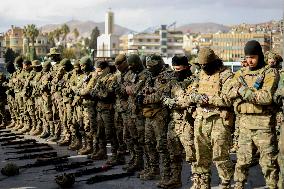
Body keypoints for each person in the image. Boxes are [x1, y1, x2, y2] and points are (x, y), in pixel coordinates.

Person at [183, 48, 234, 189]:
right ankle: (203, 183)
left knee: (220, 156)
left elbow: (229, 98)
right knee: (201, 155)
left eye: (206, 65)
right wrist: (195, 96)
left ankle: (225, 183)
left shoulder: (226, 75)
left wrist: (208, 99)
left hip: (219, 120)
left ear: (213, 62)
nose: (203, 68)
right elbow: (191, 91)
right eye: (201, 66)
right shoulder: (200, 74)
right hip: (201, 118)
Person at [231, 40, 279, 189]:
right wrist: (240, 97)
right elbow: (229, 92)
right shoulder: (240, 73)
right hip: (245, 125)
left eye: (253, 56)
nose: (249, 60)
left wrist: (243, 91)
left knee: (268, 164)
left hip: (263, 125)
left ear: (259, 55)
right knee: (241, 163)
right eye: (247, 57)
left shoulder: (269, 72)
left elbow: (266, 97)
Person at [161, 55, 196, 189]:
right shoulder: (172, 81)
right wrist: (167, 100)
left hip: (188, 123)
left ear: (186, 67)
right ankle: (175, 179)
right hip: (174, 122)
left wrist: (173, 102)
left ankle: (198, 182)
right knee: (173, 154)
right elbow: (163, 95)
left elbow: (189, 100)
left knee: (192, 156)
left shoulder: (193, 81)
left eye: (178, 69)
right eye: (174, 69)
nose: (176, 72)